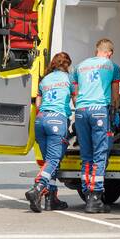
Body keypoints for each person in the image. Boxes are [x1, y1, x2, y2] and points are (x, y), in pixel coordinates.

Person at [73, 39, 120, 213]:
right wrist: (115, 113)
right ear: (109, 53)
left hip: (81, 111)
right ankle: (96, 197)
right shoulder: (112, 66)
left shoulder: (80, 66)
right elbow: (115, 95)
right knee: (100, 154)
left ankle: (87, 192)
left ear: (97, 50)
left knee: (86, 155)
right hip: (99, 111)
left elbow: (75, 94)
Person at [25, 52, 75, 213]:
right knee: (53, 160)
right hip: (57, 120)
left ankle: (51, 199)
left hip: (41, 120)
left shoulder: (45, 80)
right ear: (67, 65)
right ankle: (38, 188)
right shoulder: (68, 79)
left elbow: (38, 102)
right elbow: (76, 99)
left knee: (49, 162)